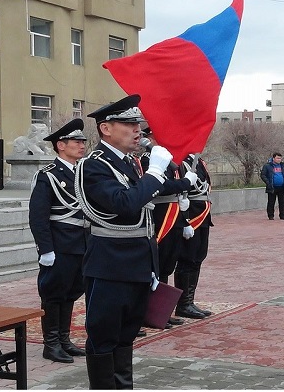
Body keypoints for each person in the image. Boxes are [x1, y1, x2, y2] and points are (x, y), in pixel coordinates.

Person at [75, 94, 193, 389]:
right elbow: (126, 203)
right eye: (128, 124)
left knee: (127, 333)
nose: (137, 130)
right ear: (106, 128)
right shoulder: (94, 165)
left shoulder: (127, 164)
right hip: (110, 264)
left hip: (138, 262)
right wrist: (154, 172)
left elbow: (149, 192)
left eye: (138, 123)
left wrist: (181, 183)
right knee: (104, 335)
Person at [28, 118, 88, 363]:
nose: (82, 145)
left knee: (71, 292)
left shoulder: (82, 172)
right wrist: (46, 249)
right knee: (53, 294)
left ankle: (64, 339)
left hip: (81, 243)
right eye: (76, 141)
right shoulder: (48, 175)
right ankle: (50, 343)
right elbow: (38, 216)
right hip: (60, 245)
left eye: (83, 141)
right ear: (60, 145)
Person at [138, 127, 196, 328]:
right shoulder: (149, 158)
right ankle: (152, 311)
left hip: (174, 215)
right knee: (159, 264)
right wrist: (185, 184)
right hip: (161, 215)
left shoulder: (169, 160)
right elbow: (160, 186)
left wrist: (185, 219)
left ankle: (163, 309)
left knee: (168, 264)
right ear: (151, 137)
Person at [174, 154, 214, 319]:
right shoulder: (181, 161)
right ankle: (183, 304)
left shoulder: (199, 161)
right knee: (187, 259)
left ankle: (189, 301)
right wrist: (184, 221)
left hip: (203, 216)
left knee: (198, 257)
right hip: (191, 217)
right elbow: (181, 192)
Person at [260, 152, 284, 220]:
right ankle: (271, 215)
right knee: (271, 202)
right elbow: (263, 175)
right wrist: (268, 183)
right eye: (277, 158)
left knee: (282, 202)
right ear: (273, 158)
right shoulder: (267, 166)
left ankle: (282, 215)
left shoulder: (283, 165)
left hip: (282, 187)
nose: (279, 160)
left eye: (280, 158)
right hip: (272, 187)